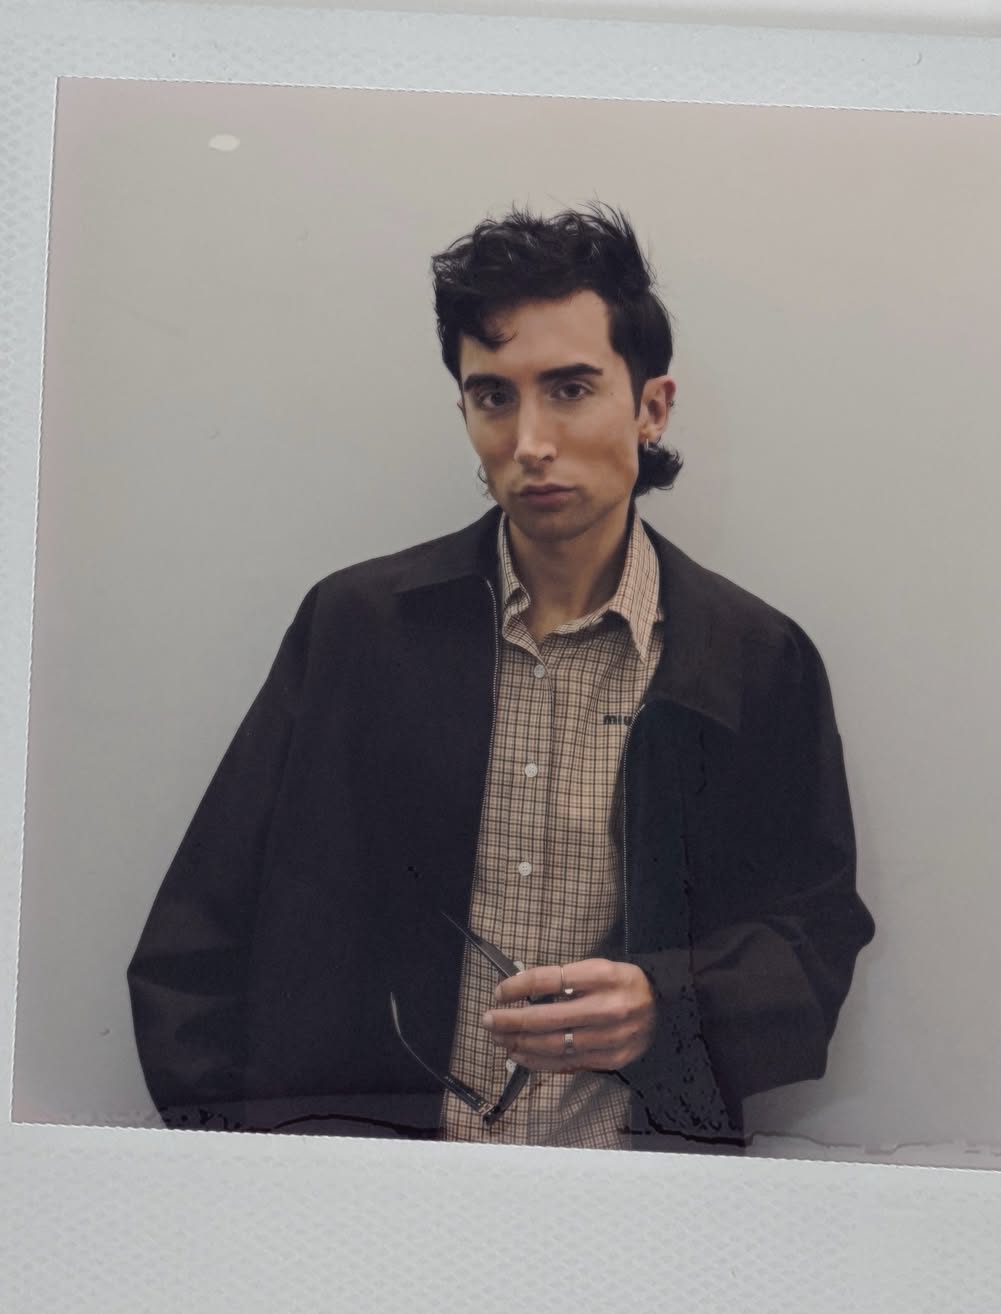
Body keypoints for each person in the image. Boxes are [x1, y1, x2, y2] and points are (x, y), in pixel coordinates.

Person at [127, 201, 875, 1152]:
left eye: (570, 389)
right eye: (493, 397)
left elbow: (814, 934)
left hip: (631, 1190)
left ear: (651, 408)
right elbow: (195, 941)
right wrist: (238, 1167)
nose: (529, 441)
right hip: (361, 1191)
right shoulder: (360, 629)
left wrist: (667, 1005)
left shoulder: (752, 657)